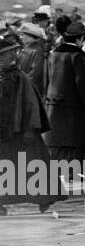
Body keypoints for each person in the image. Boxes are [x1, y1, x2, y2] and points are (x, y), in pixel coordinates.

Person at [1, 31, 63, 216]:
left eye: (11, 54)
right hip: (3, 132)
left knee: (34, 164)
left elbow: (31, 103)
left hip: (22, 130)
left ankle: (45, 199)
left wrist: (31, 128)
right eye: (6, 55)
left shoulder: (20, 77)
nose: (12, 57)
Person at [43, 20, 85, 163]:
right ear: (80, 39)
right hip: (72, 106)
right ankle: (70, 171)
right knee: (72, 141)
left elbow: (47, 79)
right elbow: (81, 84)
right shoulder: (77, 56)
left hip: (53, 103)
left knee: (56, 141)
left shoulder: (53, 54)